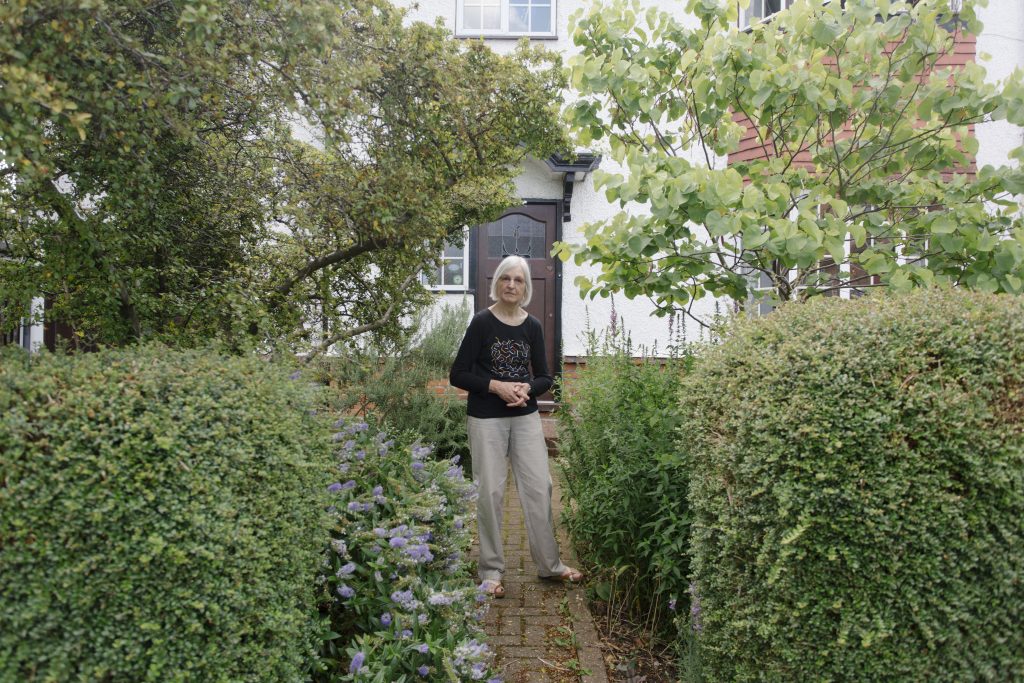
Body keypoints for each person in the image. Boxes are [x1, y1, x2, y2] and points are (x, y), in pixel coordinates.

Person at [449, 255, 584, 598]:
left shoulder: (532, 326)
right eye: (506, 278)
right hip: (486, 418)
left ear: (525, 287)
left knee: (540, 488)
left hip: (524, 418)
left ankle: (549, 565)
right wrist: (495, 385)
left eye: (518, 280)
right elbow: (458, 373)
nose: (511, 285)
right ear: (497, 283)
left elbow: (545, 376)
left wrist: (526, 388)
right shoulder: (482, 323)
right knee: (490, 493)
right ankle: (491, 571)